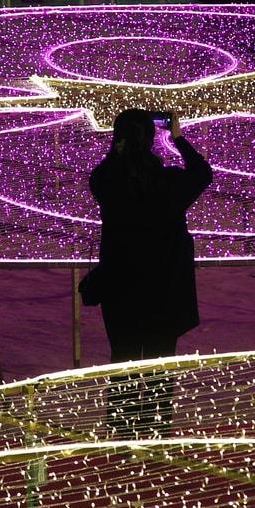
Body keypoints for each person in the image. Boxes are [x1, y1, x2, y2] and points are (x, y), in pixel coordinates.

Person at [88, 110, 212, 372]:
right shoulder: (169, 183)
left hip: (121, 289)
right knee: (160, 369)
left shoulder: (109, 182)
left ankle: (123, 414)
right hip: (164, 290)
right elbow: (202, 173)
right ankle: (156, 414)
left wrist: (117, 153)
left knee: (123, 366)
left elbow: (99, 176)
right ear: (152, 138)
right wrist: (177, 137)